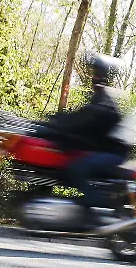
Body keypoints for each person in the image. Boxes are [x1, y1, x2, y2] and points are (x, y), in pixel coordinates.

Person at [47, 53, 129, 228]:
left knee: (74, 169)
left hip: (114, 155)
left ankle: (96, 209)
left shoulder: (105, 101)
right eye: (95, 73)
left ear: (106, 77)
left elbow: (84, 119)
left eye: (98, 73)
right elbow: (82, 118)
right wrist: (53, 122)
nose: (95, 77)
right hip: (105, 151)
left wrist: (57, 124)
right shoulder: (99, 98)